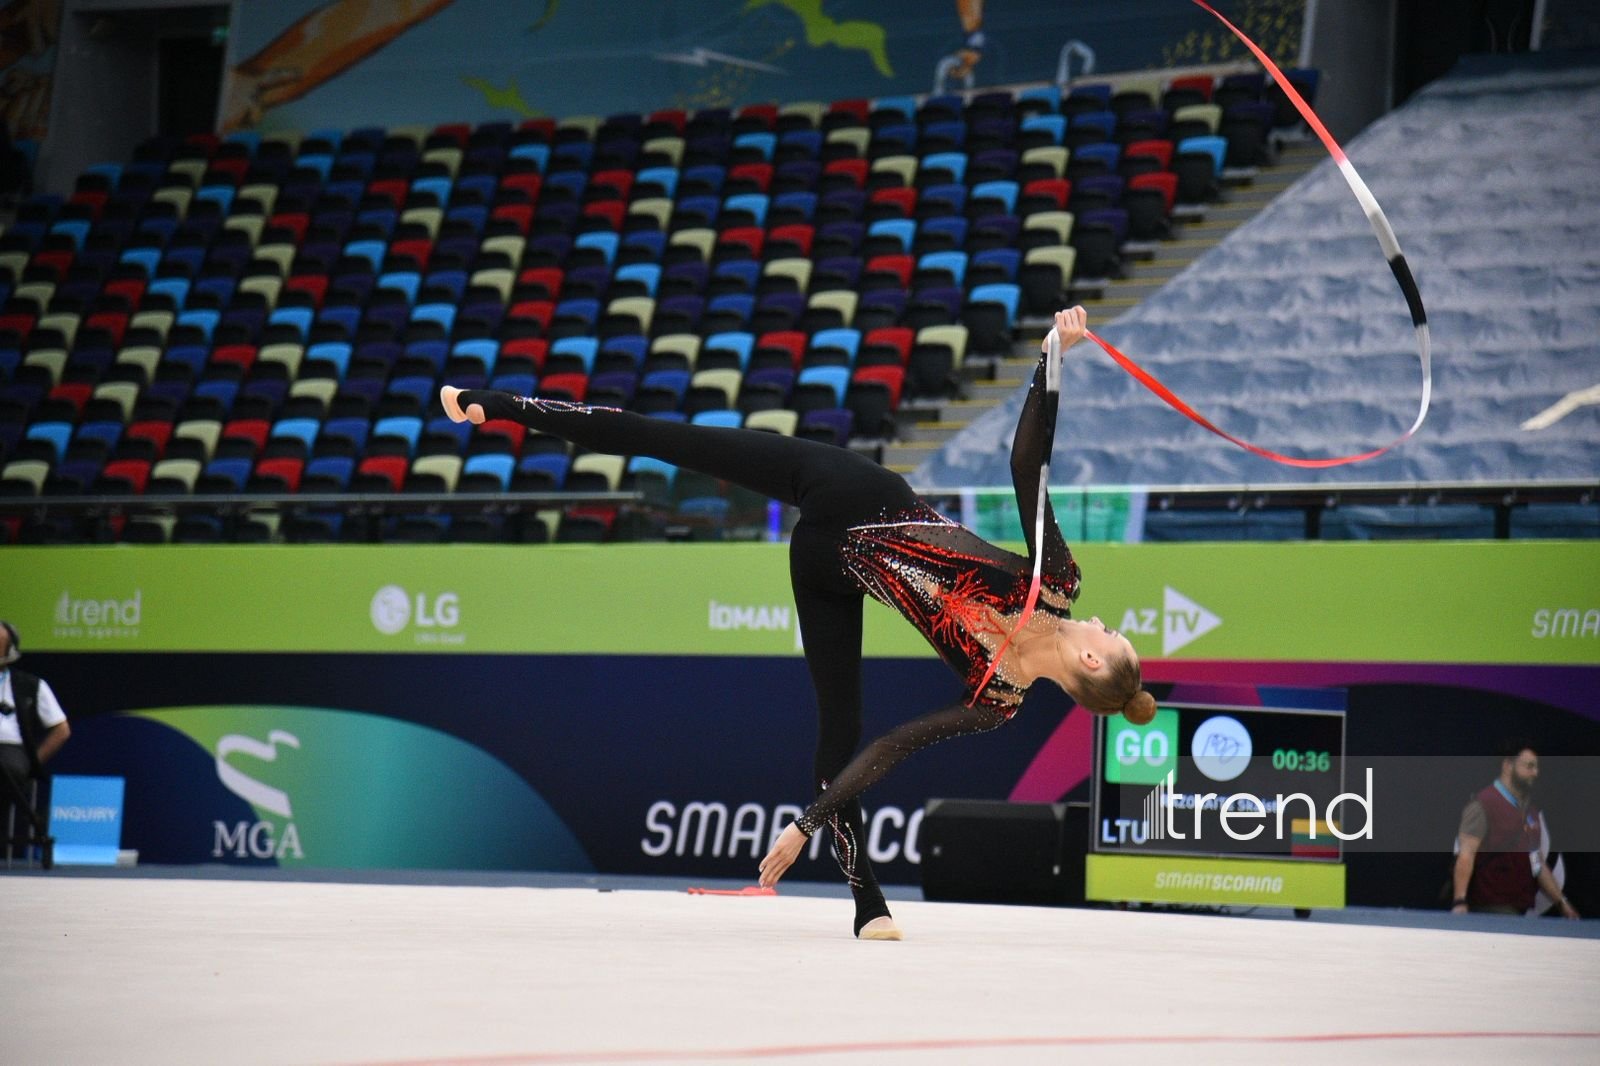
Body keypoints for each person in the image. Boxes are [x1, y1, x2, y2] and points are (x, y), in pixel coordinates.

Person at [441, 307, 1156, 939]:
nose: (1101, 622)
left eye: (1111, 634)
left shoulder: (1000, 697)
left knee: (838, 737)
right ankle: (498, 404)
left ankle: (865, 904)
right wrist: (1049, 362)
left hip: (829, 575)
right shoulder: (1054, 583)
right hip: (853, 491)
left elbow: (890, 747)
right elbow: (1027, 464)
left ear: (1093, 666)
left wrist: (804, 823)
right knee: (672, 439)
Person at [1452, 741, 1579, 919]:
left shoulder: (1531, 813)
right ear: (1507, 766)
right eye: (1529, 766)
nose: (1535, 773)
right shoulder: (1483, 804)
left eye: (1536, 767)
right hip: (1490, 908)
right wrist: (1460, 901)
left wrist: (1563, 904)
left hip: (1519, 909)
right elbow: (1466, 854)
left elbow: (1537, 864)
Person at [0, 621, 71, 853]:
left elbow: (61, 729)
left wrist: (33, 763)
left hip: (12, 752)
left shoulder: (31, 685)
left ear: (10, 650)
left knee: (6, 767)